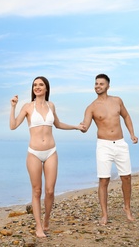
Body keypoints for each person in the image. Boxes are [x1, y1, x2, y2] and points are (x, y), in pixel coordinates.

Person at [10, 76, 84, 238]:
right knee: (37, 191)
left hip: (51, 151)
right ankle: (38, 226)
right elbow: (13, 126)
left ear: (46, 88)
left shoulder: (51, 105)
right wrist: (13, 107)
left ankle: (46, 220)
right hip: (34, 153)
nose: (37, 87)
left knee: (50, 191)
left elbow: (58, 124)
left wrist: (76, 127)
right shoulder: (27, 107)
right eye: (35, 85)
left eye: (40, 85)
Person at [81, 73, 138, 225]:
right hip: (103, 145)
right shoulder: (91, 107)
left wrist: (132, 134)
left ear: (107, 86)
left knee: (126, 177)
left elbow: (126, 116)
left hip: (120, 143)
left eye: (101, 84)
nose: (97, 86)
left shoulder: (117, 100)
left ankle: (127, 208)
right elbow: (85, 126)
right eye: (96, 84)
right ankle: (104, 214)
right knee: (104, 180)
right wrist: (81, 127)